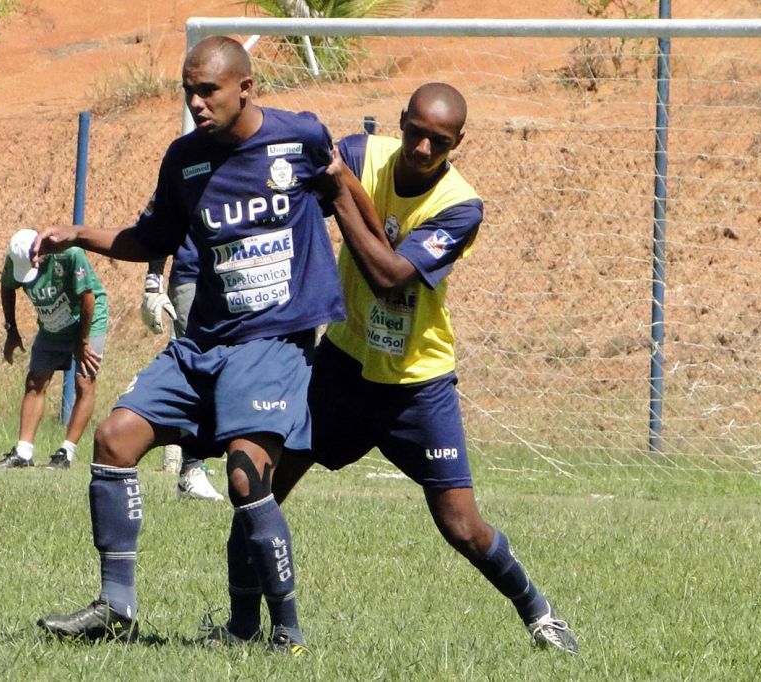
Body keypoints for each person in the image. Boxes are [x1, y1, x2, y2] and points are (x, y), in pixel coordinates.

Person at [218, 83, 580, 654]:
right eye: (415, 131)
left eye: (438, 141)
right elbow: (293, 186)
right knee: (256, 490)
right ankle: (241, 628)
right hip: (342, 364)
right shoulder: (362, 155)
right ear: (401, 121)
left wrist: (339, 195)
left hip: (417, 383)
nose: (421, 147)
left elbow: (389, 274)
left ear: (458, 143)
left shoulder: (462, 207)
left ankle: (538, 612)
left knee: (462, 525)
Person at [32, 35, 345, 654]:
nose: (198, 103)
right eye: (189, 91)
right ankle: (116, 605)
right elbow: (152, 237)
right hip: (203, 341)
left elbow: (345, 190)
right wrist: (79, 235)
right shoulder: (184, 160)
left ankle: (287, 633)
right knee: (115, 438)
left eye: (209, 91)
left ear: (245, 88)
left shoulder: (301, 139)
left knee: (244, 480)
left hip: (273, 342)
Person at [0, 228, 108, 470]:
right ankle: (23, 453)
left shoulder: (70, 255)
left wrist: (83, 340)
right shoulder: (16, 260)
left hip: (87, 318)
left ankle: (66, 452)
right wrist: (11, 330)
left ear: (41, 250)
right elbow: (7, 287)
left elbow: (88, 298)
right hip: (52, 322)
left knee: (84, 381)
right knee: (35, 380)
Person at [141, 244, 224, 502]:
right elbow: (162, 226)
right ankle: (190, 469)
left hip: (238, 277)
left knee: (231, 367)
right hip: (192, 276)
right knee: (200, 365)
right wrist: (153, 283)